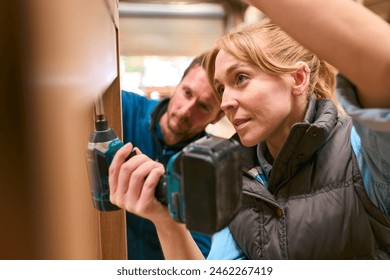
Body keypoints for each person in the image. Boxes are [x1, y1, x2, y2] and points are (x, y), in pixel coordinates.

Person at [109, 0, 390, 259]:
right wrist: (166, 221)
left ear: (298, 78)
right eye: (221, 88)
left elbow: (383, 68)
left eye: (240, 78)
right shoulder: (234, 177)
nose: (227, 103)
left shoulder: (361, 151)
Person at [120, 53, 225, 259]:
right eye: (187, 93)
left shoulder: (208, 165)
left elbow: (196, 253)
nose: (186, 111)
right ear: (177, 85)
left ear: (218, 116)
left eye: (204, 106)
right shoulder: (123, 108)